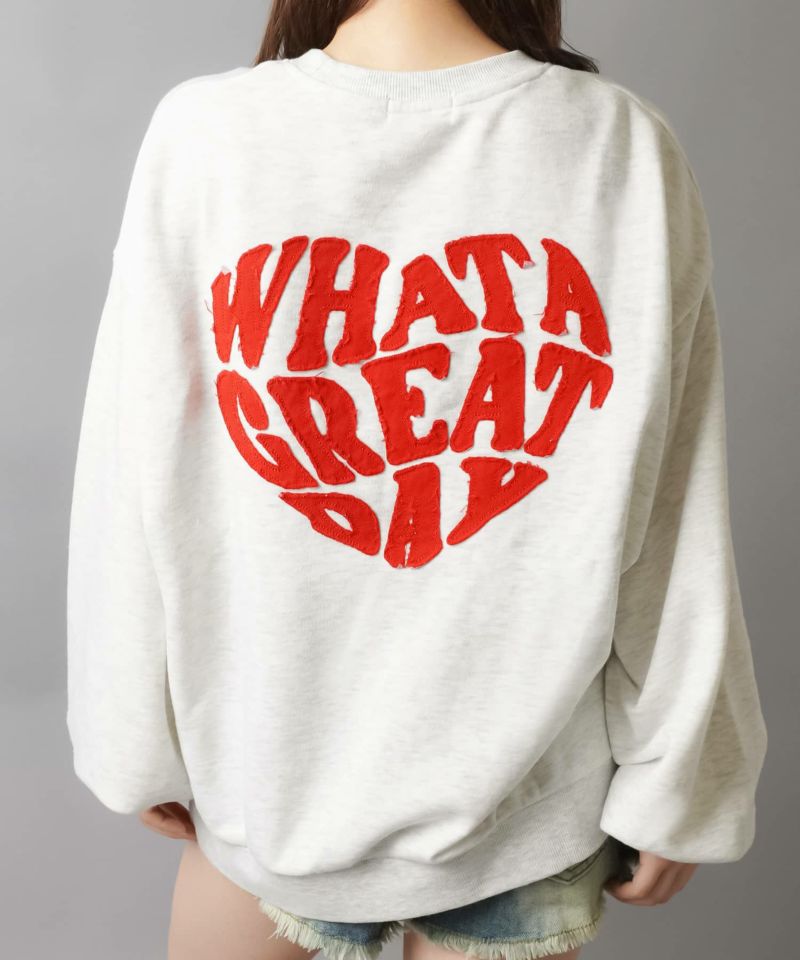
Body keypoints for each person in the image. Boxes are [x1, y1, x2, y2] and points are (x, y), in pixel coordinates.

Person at [65, 1, 769, 958]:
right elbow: (675, 506)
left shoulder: (207, 134)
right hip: (521, 799)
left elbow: (131, 467)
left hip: (268, 789)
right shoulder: (620, 145)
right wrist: (682, 782)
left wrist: (130, 738)